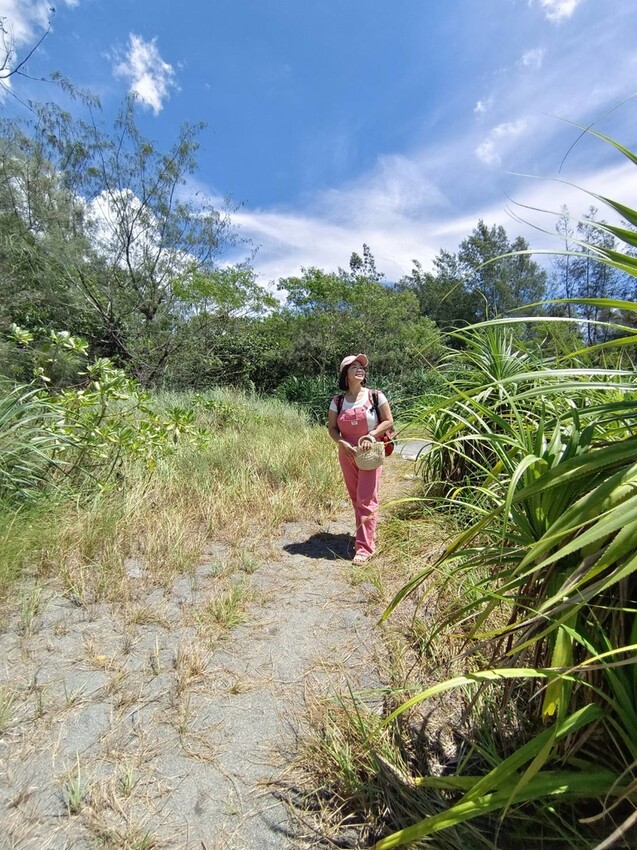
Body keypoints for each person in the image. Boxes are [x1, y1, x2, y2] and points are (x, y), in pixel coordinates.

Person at [327, 354, 394, 565]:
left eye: (361, 367)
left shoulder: (375, 395)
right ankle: (366, 535)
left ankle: (364, 548)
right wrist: (341, 442)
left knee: (366, 499)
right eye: (353, 366)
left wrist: (371, 435)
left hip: (370, 453)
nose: (359, 369)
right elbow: (332, 428)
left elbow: (388, 421)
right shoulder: (338, 401)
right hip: (347, 454)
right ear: (344, 373)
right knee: (357, 499)